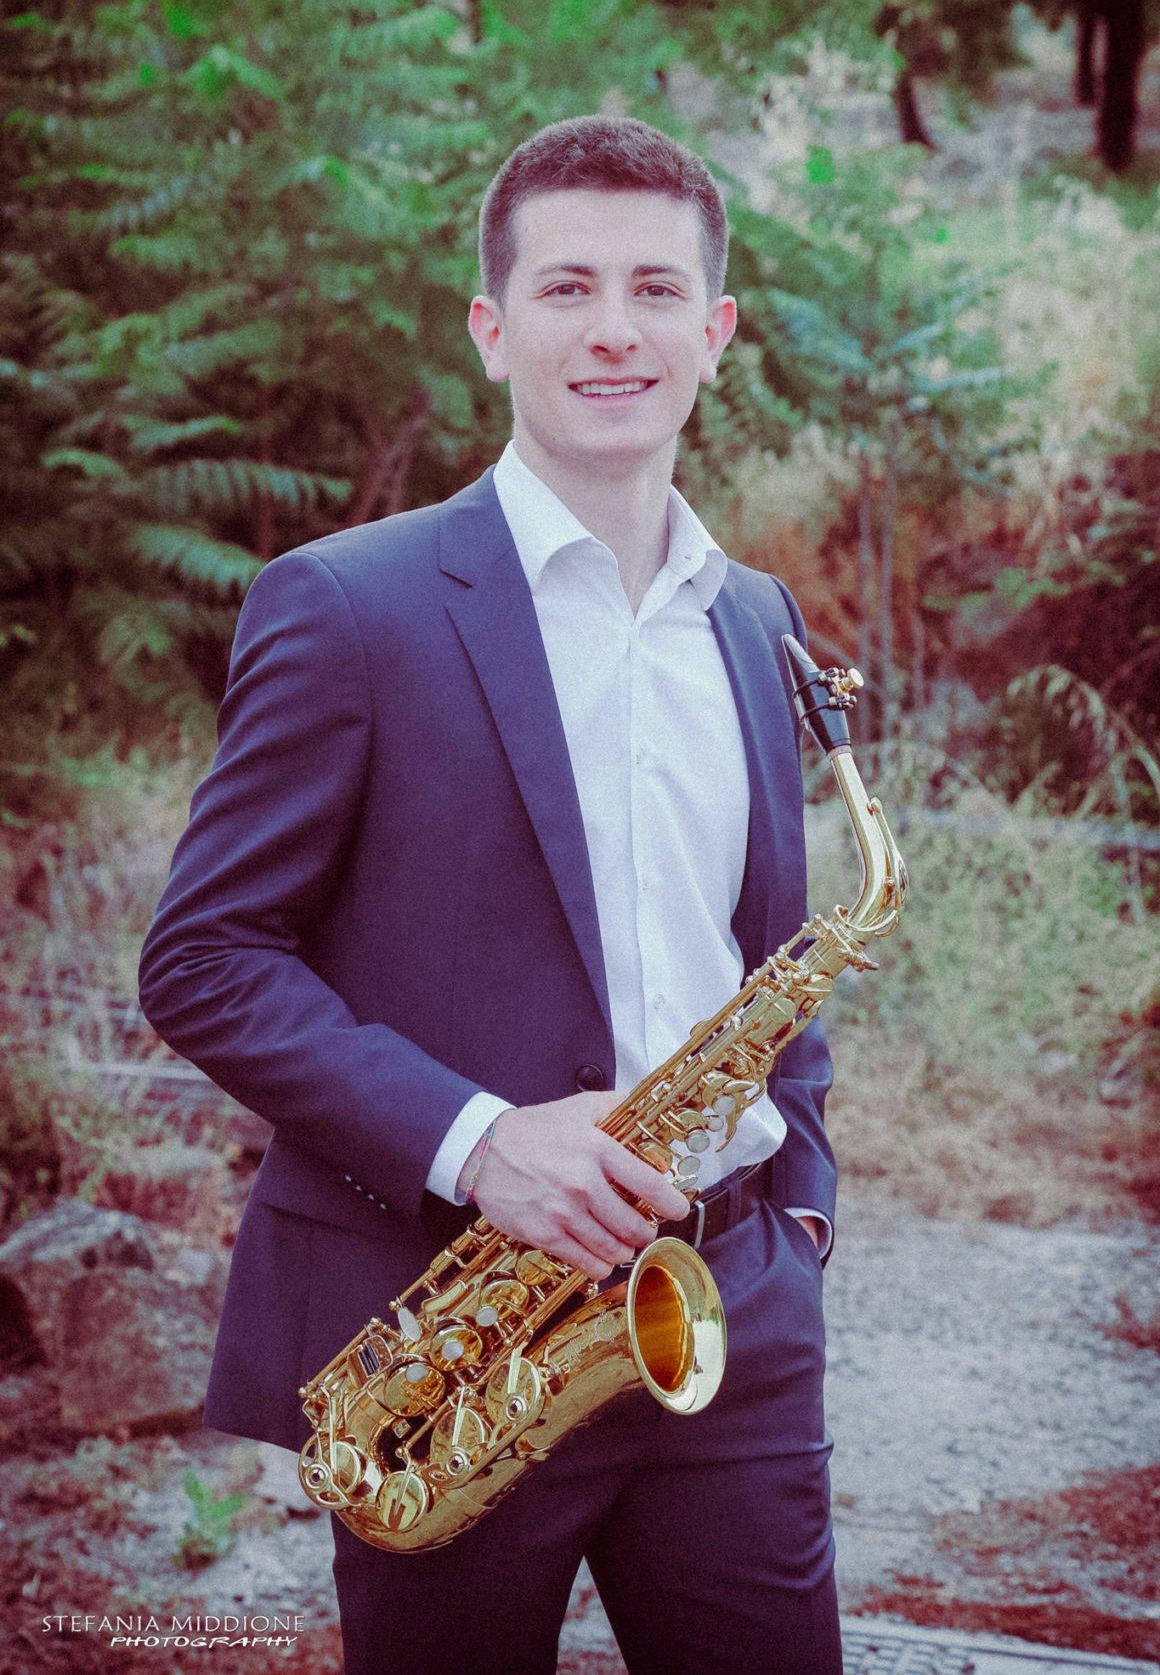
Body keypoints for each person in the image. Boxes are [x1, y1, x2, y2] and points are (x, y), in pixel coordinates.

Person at [139, 114, 841, 1675]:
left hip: (730, 1310)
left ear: (715, 335)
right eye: (567, 287)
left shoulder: (760, 621)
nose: (613, 330)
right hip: (457, 1328)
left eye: (658, 291)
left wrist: (802, 1211)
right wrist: (480, 1144)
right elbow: (204, 959)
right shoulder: (348, 603)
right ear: (491, 327)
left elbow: (767, 948)